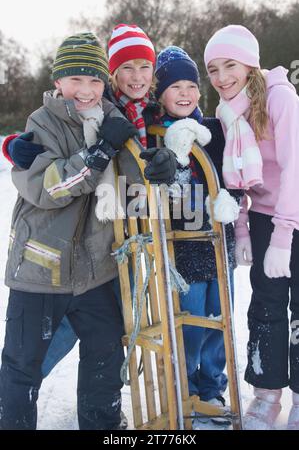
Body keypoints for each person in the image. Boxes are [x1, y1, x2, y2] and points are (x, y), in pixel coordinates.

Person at [0, 31, 175, 430]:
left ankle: (103, 426)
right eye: (75, 79)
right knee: (22, 365)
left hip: (96, 270)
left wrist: (159, 166)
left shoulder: (114, 121)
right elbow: (50, 188)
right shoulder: (42, 124)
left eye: (94, 80)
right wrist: (98, 153)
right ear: (57, 82)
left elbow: (133, 182)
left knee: (103, 357)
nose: (86, 90)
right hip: (41, 271)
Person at [204, 24, 299, 430]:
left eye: (230, 65)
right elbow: (237, 176)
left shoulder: (282, 99)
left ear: (251, 65)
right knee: (265, 307)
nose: (222, 77)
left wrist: (283, 236)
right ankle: (266, 395)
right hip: (262, 218)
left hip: (293, 217)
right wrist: (243, 230)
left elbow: (295, 169)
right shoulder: (229, 113)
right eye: (212, 69)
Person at [154, 46, 242, 427]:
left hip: (219, 243)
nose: (186, 93)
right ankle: (186, 387)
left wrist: (232, 198)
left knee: (220, 316)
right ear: (161, 94)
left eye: (192, 85)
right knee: (189, 321)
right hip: (181, 246)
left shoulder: (214, 132)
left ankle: (211, 387)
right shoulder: (156, 135)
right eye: (176, 87)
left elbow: (234, 174)